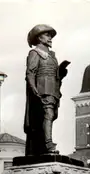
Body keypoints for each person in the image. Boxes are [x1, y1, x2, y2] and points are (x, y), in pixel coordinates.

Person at [24, 24, 69, 156]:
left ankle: (45, 143)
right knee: (48, 114)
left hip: (53, 89)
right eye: (47, 35)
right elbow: (30, 72)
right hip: (43, 88)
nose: (50, 38)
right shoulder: (35, 53)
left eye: (50, 35)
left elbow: (55, 75)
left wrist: (61, 72)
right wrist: (33, 88)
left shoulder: (52, 56)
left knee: (52, 115)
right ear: (39, 38)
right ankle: (49, 144)